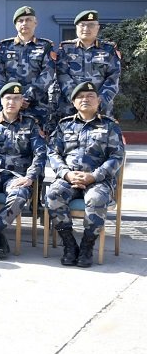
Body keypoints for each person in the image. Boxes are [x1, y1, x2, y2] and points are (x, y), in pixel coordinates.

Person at [47, 81, 125, 268]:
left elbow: (117, 156)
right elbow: (53, 152)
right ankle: (69, 245)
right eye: (80, 97)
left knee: (96, 199)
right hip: (69, 178)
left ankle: (86, 247)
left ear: (98, 101)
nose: (85, 100)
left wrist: (94, 176)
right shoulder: (64, 125)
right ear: (74, 103)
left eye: (90, 96)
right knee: (52, 194)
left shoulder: (110, 126)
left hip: (98, 180)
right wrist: (66, 174)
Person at [0, 81, 46, 260]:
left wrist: (30, 176)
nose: (12, 102)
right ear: (1, 100)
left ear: (22, 102)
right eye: (8, 98)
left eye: (16, 99)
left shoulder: (31, 124)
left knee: (19, 196)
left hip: (17, 176)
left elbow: (40, 153)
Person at [0, 6, 56, 132]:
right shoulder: (5, 46)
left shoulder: (45, 46)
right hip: (10, 106)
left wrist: (26, 98)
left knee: (37, 139)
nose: (24, 23)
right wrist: (9, 97)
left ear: (35, 23)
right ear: (15, 24)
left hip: (37, 105)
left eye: (28, 20)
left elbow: (48, 73)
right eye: (20, 20)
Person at [54, 9, 120, 120]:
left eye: (91, 25)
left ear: (98, 27)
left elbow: (113, 77)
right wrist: (76, 99)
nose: (86, 29)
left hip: (101, 108)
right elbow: (61, 75)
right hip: (70, 107)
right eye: (82, 25)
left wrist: (99, 100)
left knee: (100, 136)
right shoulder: (66, 49)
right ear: (76, 27)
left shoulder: (108, 49)